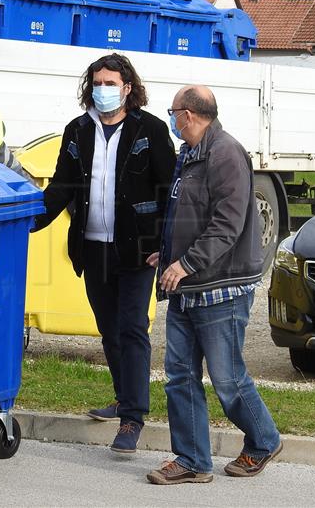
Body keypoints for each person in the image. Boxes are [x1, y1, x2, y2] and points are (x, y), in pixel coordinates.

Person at [32, 53, 176, 453]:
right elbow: (61, 187)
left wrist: (164, 245)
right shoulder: (77, 130)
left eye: (111, 83)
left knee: (133, 328)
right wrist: (26, 222)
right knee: (109, 329)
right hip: (93, 247)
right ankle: (122, 395)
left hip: (138, 250)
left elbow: (170, 190)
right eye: (98, 82)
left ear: (128, 87)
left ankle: (133, 418)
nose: (103, 90)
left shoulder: (150, 128)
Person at [146, 85, 281, 485]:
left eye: (173, 112)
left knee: (227, 379)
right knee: (180, 376)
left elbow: (227, 224)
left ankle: (263, 440)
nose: (171, 119)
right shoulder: (190, 153)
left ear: (187, 114)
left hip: (220, 288)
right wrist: (166, 253)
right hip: (188, 285)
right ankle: (191, 461)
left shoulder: (225, 154)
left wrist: (185, 263)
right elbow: (182, 212)